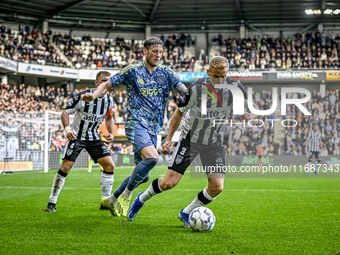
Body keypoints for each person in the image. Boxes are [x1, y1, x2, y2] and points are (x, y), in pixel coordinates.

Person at [126, 56, 254, 225]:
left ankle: (186, 213)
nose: (221, 80)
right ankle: (141, 199)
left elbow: (246, 107)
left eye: (224, 76)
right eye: (217, 76)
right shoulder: (196, 89)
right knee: (169, 183)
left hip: (214, 142)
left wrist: (247, 113)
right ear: (208, 72)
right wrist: (169, 138)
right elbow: (178, 113)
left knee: (217, 187)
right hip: (189, 140)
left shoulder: (235, 88)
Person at [82, 37, 188, 217]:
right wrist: (93, 96)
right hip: (135, 123)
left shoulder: (166, 73)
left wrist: (197, 98)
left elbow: (184, 90)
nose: (158, 55)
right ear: (145, 52)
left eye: (160, 52)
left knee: (145, 175)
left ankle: (111, 200)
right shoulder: (132, 71)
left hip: (153, 128)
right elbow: (107, 85)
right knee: (153, 159)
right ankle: (126, 195)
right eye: (154, 51)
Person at [46, 71, 115, 212]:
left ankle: (104, 202)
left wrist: (111, 133)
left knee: (110, 166)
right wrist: (67, 129)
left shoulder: (109, 100)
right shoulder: (83, 96)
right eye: (103, 80)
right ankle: (51, 202)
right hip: (77, 136)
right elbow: (65, 112)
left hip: (94, 137)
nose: (105, 83)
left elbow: (109, 118)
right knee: (66, 167)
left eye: (108, 81)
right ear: (96, 83)